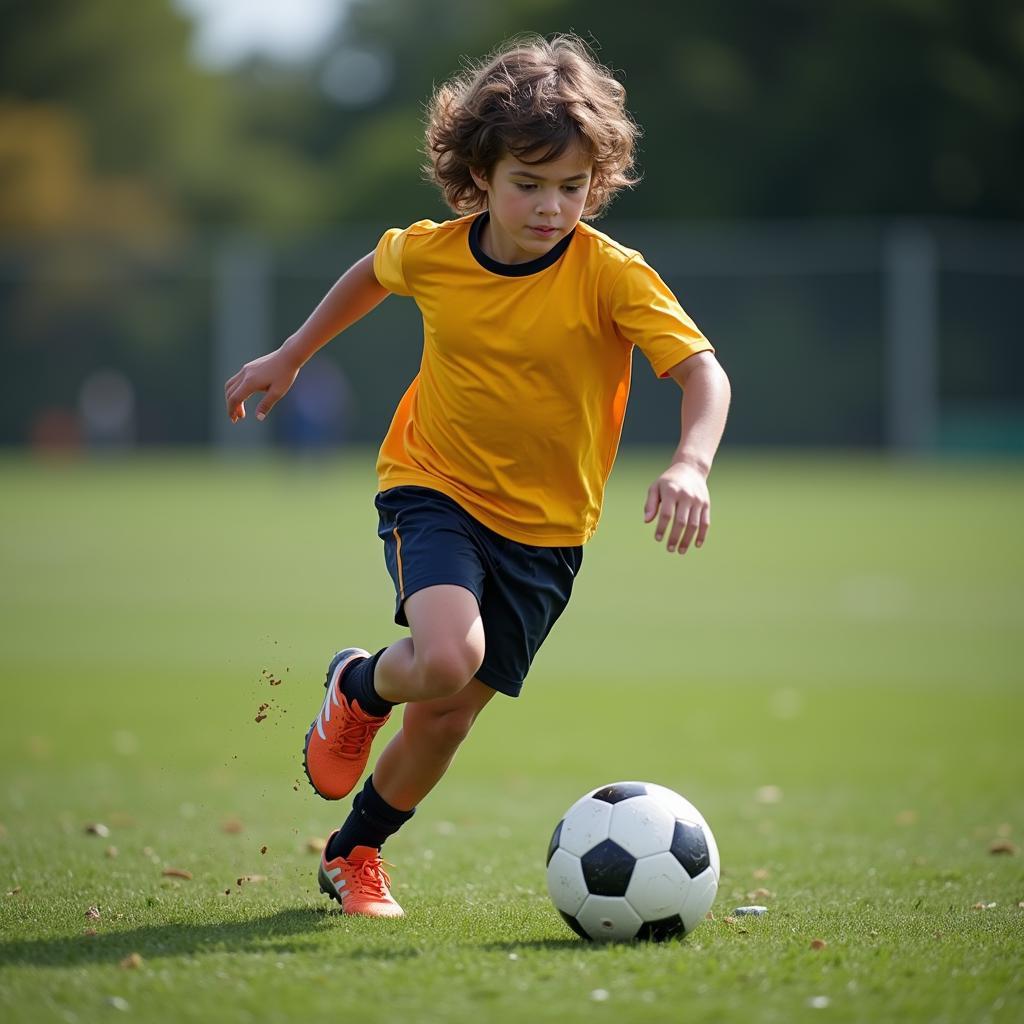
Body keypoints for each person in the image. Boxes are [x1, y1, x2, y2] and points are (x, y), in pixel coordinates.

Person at [224, 33, 731, 919]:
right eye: (527, 184)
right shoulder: (438, 252)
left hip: (549, 531)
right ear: (479, 175)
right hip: (434, 485)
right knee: (452, 654)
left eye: (572, 187)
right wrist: (292, 353)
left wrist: (690, 460)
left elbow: (701, 372)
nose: (550, 206)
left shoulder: (611, 275)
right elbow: (374, 270)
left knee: (447, 715)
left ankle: (354, 853)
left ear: (596, 182)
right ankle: (357, 687)